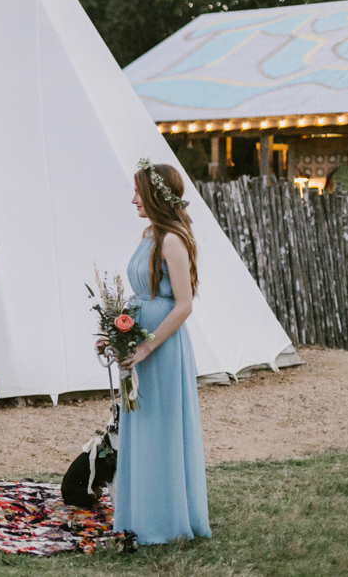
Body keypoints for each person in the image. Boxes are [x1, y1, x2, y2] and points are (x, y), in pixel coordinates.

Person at [111, 159, 211, 545]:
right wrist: (116, 330)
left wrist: (149, 345)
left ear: (155, 194)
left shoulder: (172, 239)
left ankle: (166, 521)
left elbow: (183, 304)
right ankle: (140, 513)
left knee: (162, 428)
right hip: (138, 341)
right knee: (140, 425)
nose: (133, 198)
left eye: (139, 191)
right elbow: (141, 294)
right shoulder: (147, 233)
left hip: (162, 349)